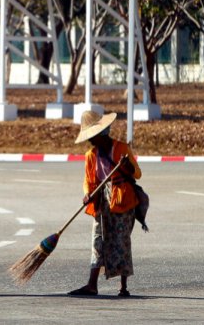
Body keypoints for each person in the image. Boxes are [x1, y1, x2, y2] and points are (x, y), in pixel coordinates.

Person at [68, 110, 142, 297]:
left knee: (121, 240)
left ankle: (123, 287)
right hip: (101, 200)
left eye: (93, 137)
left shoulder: (121, 148)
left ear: (102, 134)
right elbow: (88, 180)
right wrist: (87, 194)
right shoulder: (91, 155)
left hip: (122, 199)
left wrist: (128, 167)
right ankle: (92, 285)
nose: (91, 142)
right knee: (97, 240)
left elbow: (138, 173)